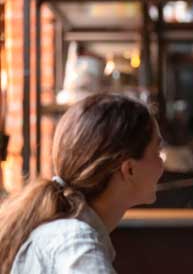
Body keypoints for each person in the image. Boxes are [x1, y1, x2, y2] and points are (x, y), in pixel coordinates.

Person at [0, 93, 164, 274]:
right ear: (129, 169)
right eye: (157, 151)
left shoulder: (68, 235)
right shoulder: (77, 244)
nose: (162, 162)